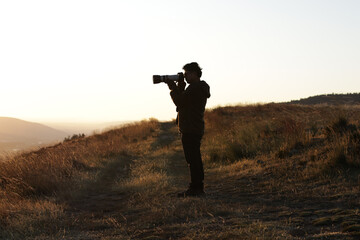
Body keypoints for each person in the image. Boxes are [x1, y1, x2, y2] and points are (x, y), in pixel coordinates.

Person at [166, 62, 211, 197]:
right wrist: (180, 87)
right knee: (194, 158)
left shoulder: (195, 88)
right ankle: (197, 187)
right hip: (193, 127)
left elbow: (179, 102)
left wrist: (173, 88)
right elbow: (184, 103)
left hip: (191, 128)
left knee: (192, 159)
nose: (185, 77)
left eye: (187, 74)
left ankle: (195, 188)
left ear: (194, 73)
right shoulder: (197, 88)